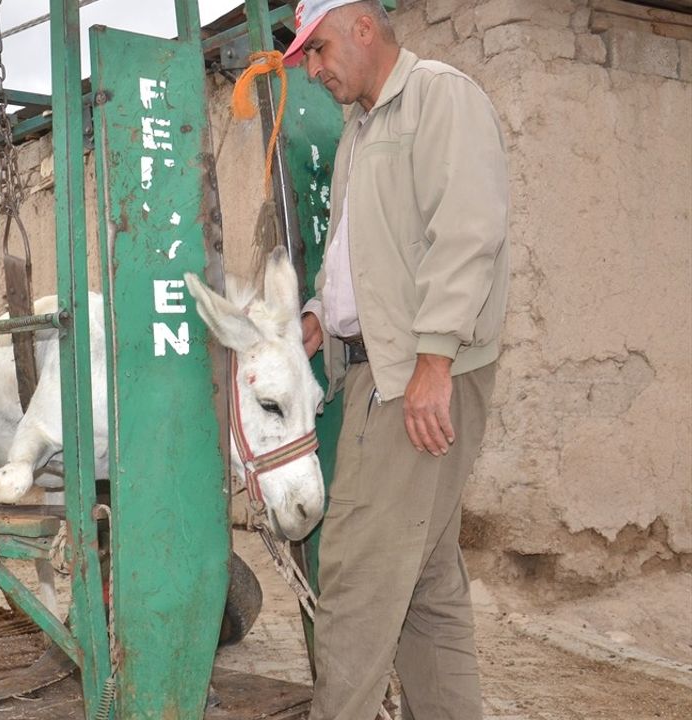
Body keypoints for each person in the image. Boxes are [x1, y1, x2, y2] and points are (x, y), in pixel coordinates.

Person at [281, 2, 510, 718]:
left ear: (360, 26)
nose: (313, 71)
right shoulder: (362, 131)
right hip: (376, 370)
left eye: (316, 51)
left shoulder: (441, 96)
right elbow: (356, 253)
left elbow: (468, 232)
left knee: (356, 582)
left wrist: (434, 361)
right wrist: (321, 313)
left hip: (414, 376)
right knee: (426, 585)